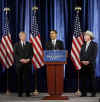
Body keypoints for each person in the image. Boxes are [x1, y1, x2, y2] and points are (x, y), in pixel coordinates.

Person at [14, 32, 33, 97]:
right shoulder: (16, 45)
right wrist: (21, 59)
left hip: (27, 64)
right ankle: (20, 93)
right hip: (19, 64)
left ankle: (27, 92)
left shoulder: (29, 44)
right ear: (20, 37)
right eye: (23, 36)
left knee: (27, 79)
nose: (24, 37)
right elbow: (15, 54)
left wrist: (28, 59)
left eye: (25, 36)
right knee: (19, 79)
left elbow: (32, 54)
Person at [80, 31, 98, 97]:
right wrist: (82, 61)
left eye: (85, 36)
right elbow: (81, 55)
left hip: (91, 64)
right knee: (83, 79)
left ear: (90, 36)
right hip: (83, 64)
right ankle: (84, 93)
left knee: (92, 79)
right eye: (84, 36)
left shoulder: (94, 44)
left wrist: (88, 61)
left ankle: (93, 93)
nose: (84, 37)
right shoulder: (83, 45)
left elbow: (94, 55)